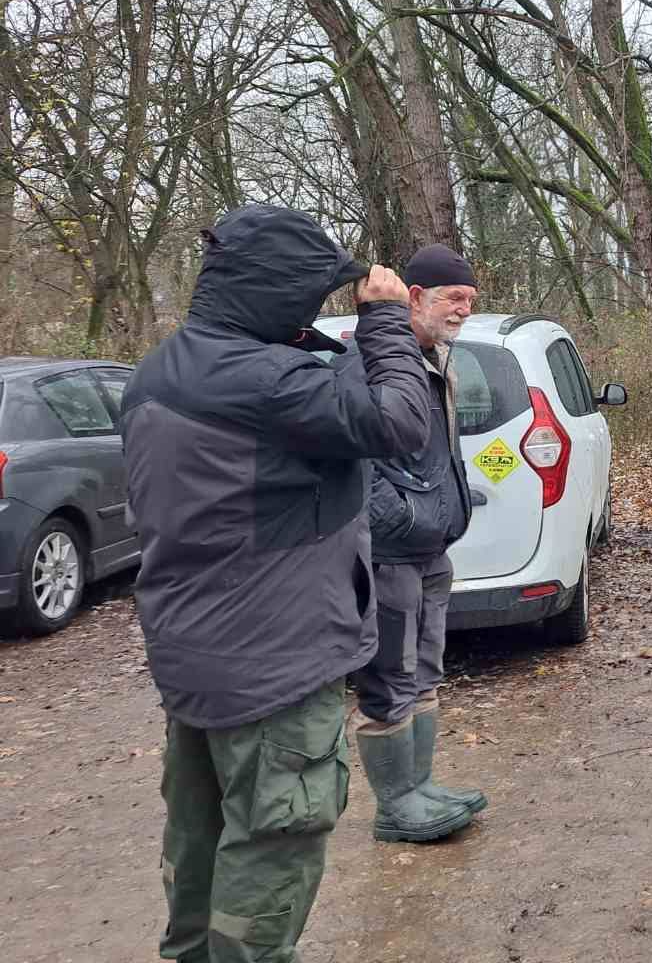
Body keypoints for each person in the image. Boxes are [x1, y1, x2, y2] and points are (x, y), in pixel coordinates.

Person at [122, 205, 431, 963]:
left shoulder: (165, 369)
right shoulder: (267, 382)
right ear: (277, 293)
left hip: (196, 660)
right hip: (274, 668)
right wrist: (387, 323)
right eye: (307, 297)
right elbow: (398, 426)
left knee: (201, 856)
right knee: (271, 855)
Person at [343, 244, 486, 842]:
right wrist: (393, 516)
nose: (463, 311)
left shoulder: (434, 360)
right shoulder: (367, 359)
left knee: (426, 670)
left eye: (471, 301)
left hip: (431, 545)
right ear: (416, 297)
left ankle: (420, 787)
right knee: (390, 677)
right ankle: (395, 806)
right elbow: (356, 447)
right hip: (391, 549)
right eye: (454, 298)